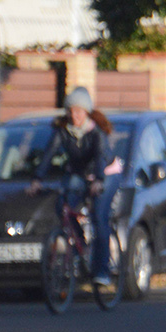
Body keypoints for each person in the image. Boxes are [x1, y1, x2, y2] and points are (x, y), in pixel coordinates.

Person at [30, 87, 116, 285]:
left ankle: (102, 270)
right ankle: (81, 246)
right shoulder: (63, 132)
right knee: (62, 206)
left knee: (98, 217)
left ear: (86, 113)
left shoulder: (96, 133)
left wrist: (99, 181)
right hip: (79, 174)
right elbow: (48, 154)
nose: (74, 115)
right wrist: (37, 179)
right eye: (71, 111)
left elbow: (99, 157)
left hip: (106, 173)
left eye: (79, 111)